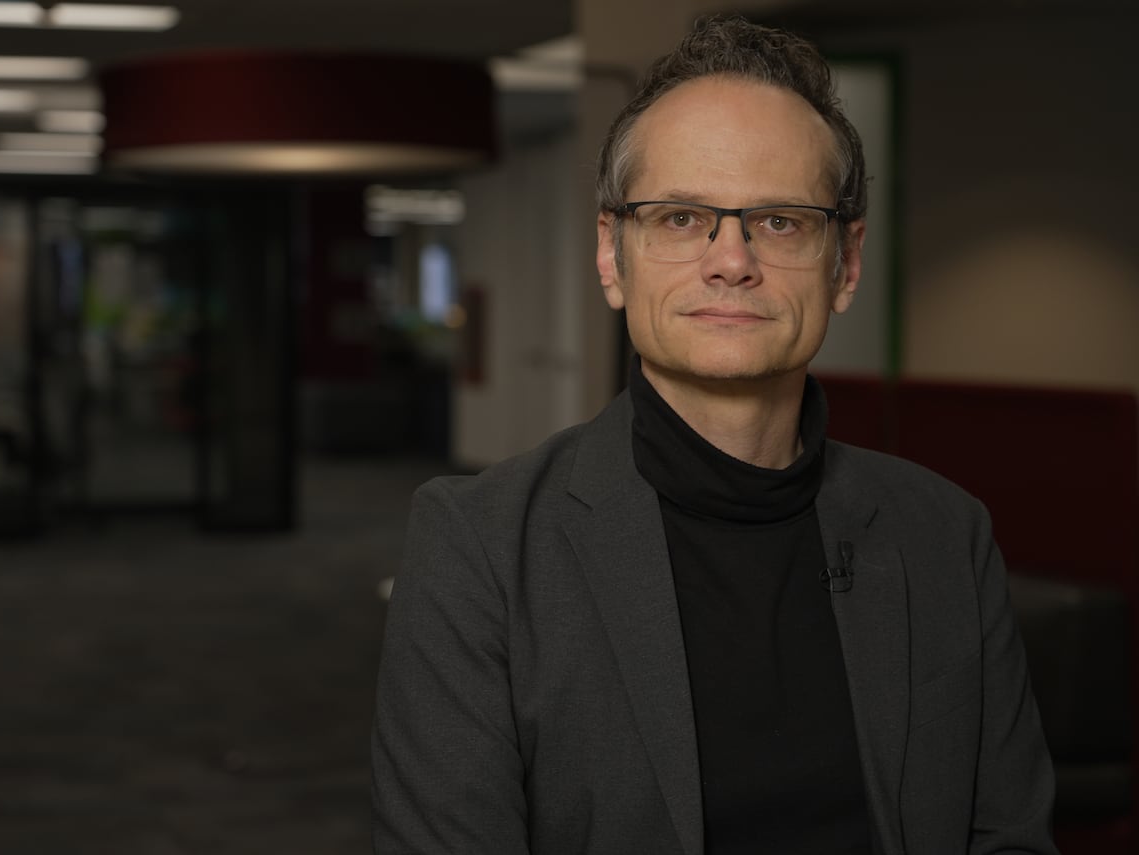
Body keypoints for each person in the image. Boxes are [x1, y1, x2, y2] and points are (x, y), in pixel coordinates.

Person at [371, 15, 1057, 855]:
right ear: (612, 256)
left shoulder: (946, 533)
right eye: (681, 217)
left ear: (844, 264)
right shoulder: (480, 546)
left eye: (780, 221)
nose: (731, 260)